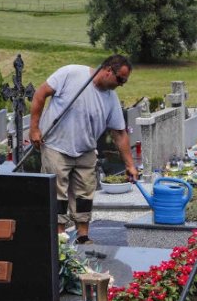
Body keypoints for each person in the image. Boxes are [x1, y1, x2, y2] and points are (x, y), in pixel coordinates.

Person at [29, 55, 138, 244]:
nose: (121, 85)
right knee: (57, 193)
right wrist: (34, 128)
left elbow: (119, 133)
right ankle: (59, 237)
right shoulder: (71, 74)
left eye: (124, 81)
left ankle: (83, 236)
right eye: (120, 79)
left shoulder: (111, 99)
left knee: (85, 194)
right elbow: (40, 94)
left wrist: (130, 165)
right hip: (56, 145)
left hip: (86, 150)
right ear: (108, 70)